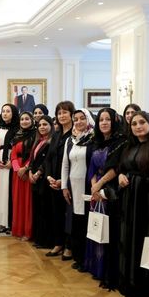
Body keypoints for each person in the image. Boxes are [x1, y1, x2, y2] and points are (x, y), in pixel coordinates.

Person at [116, 111, 149, 297]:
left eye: (142, 122)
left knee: (142, 240)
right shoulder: (130, 145)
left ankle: (143, 286)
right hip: (129, 199)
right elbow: (122, 167)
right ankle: (127, 282)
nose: (138, 126)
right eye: (134, 123)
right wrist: (121, 175)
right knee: (127, 238)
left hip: (146, 200)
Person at [83, 108, 125, 282]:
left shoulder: (122, 142)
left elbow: (117, 167)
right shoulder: (96, 142)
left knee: (108, 228)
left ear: (115, 121)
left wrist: (100, 186)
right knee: (95, 226)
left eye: (108, 119)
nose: (104, 123)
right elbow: (91, 167)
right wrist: (94, 187)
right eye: (101, 120)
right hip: (96, 190)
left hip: (111, 190)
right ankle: (95, 266)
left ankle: (106, 269)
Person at [61, 109, 95, 272]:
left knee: (87, 222)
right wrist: (64, 186)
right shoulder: (70, 140)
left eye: (83, 118)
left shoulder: (94, 139)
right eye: (76, 119)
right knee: (76, 223)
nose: (79, 122)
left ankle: (88, 260)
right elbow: (65, 165)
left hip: (88, 186)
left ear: (88, 119)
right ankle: (79, 257)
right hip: (72, 188)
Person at [44, 101, 75, 258]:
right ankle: (58, 243)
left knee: (68, 215)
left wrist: (63, 181)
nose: (62, 116)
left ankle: (69, 246)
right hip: (53, 181)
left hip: (68, 183)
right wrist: (49, 177)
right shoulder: (55, 135)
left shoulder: (76, 135)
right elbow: (48, 158)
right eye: (59, 113)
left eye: (65, 112)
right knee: (55, 213)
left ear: (71, 114)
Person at [10, 111, 36, 240]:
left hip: (28, 171)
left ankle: (27, 231)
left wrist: (25, 169)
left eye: (27, 119)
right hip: (17, 173)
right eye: (22, 119)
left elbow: (34, 154)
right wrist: (17, 169)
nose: (24, 121)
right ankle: (18, 229)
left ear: (32, 121)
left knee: (27, 202)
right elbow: (13, 154)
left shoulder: (35, 135)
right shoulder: (17, 135)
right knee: (18, 201)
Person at [0, 104, 20, 233]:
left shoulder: (18, 128)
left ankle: (10, 222)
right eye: (3, 111)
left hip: (10, 159)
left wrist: (11, 161)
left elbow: (16, 146)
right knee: (0, 191)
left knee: (8, 191)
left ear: (13, 113)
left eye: (8, 111)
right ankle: (1, 221)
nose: (5, 114)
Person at [29, 115, 54, 247]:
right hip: (34, 179)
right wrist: (30, 172)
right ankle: (38, 238)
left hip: (44, 180)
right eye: (40, 125)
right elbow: (32, 159)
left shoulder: (51, 142)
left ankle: (46, 241)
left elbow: (46, 161)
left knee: (45, 211)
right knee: (37, 210)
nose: (42, 127)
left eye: (45, 124)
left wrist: (38, 173)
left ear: (51, 126)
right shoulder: (38, 141)